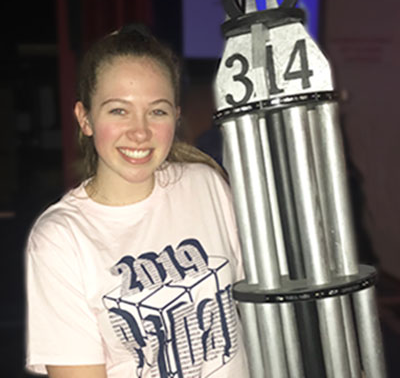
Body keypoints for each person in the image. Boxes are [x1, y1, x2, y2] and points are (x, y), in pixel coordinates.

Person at [25, 25, 250, 378]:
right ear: (85, 119)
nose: (140, 132)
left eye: (157, 111)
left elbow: (260, 308)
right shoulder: (61, 238)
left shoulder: (206, 185)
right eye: (119, 111)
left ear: (175, 117)